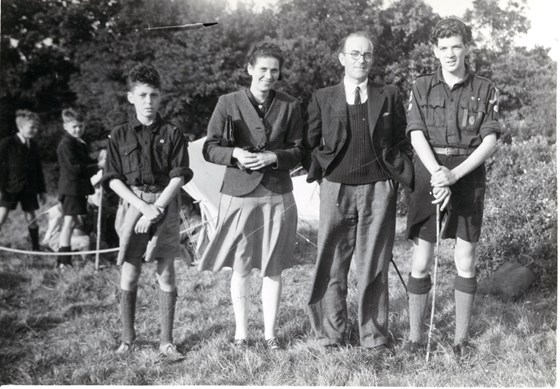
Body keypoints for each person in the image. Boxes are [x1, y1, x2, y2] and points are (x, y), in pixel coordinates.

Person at [303, 32, 413, 353]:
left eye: (366, 55)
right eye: (354, 54)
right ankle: (331, 334)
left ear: (372, 59)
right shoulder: (323, 97)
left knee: (374, 264)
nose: (360, 60)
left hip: (379, 188)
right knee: (332, 262)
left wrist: (396, 178)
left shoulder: (388, 95)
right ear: (342, 58)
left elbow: (401, 141)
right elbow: (310, 142)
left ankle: (374, 336)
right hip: (336, 189)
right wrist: (324, 171)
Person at [404, 18, 500, 361]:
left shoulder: (486, 88)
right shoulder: (421, 86)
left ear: (467, 47)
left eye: (456, 46)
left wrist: (453, 176)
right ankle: (415, 337)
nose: (449, 54)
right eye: (442, 48)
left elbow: (489, 141)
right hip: (429, 172)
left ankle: (461, 340)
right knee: (422, 256)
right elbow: (415, 134)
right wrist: (437, 174)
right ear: (434, 51)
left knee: (465, 256)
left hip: (467, 174)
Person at [199, 42, 303, 350]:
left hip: (277, 192)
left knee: (273, 267)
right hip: (239, 193)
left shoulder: (290, 105)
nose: (268, 76)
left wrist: (274, 158)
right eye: (262, 70)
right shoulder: (227, 102)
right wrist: (235, 155)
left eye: (274, 71)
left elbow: (300, 150)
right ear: (249, 69)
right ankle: (241, 334)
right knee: (241, 266)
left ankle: (271, 334)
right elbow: (209, 147)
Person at [102, 63, 193, 360]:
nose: (148, 101)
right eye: (142, 95)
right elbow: (113, 179)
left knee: (166, 273)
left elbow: (179, 176)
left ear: (160, 96)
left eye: (154, 95)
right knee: (130, 273)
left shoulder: (173, 132)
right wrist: (142, 207)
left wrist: (156, 208)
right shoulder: (119, 135)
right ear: (131, 97)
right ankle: (128, 339)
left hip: (165, 206)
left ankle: (166, 341)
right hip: (133, 206)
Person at [56, 108, 102, 269]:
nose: (78, 129)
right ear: (65, 126)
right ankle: (63, 260)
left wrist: (99, 159)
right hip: (71, 189)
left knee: (72, 221)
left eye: (81, 126)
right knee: (69, 223)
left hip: (77, 189)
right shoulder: (66, 144)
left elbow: (87, 162)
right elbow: (75, 169)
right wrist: (98, 165)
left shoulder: (79, 143)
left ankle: (63, 259)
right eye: (74, 126)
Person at [0, 110, 46, 251]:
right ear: (20, 127)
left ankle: (36, 248)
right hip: (9, 188)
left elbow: (38, 169)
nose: (35, 130)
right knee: (2, 215)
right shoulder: (7, 144)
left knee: (31, 217)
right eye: (32, 127)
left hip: (28, 189)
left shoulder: (33, 145)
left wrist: (42, 190)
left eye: (36, 127)